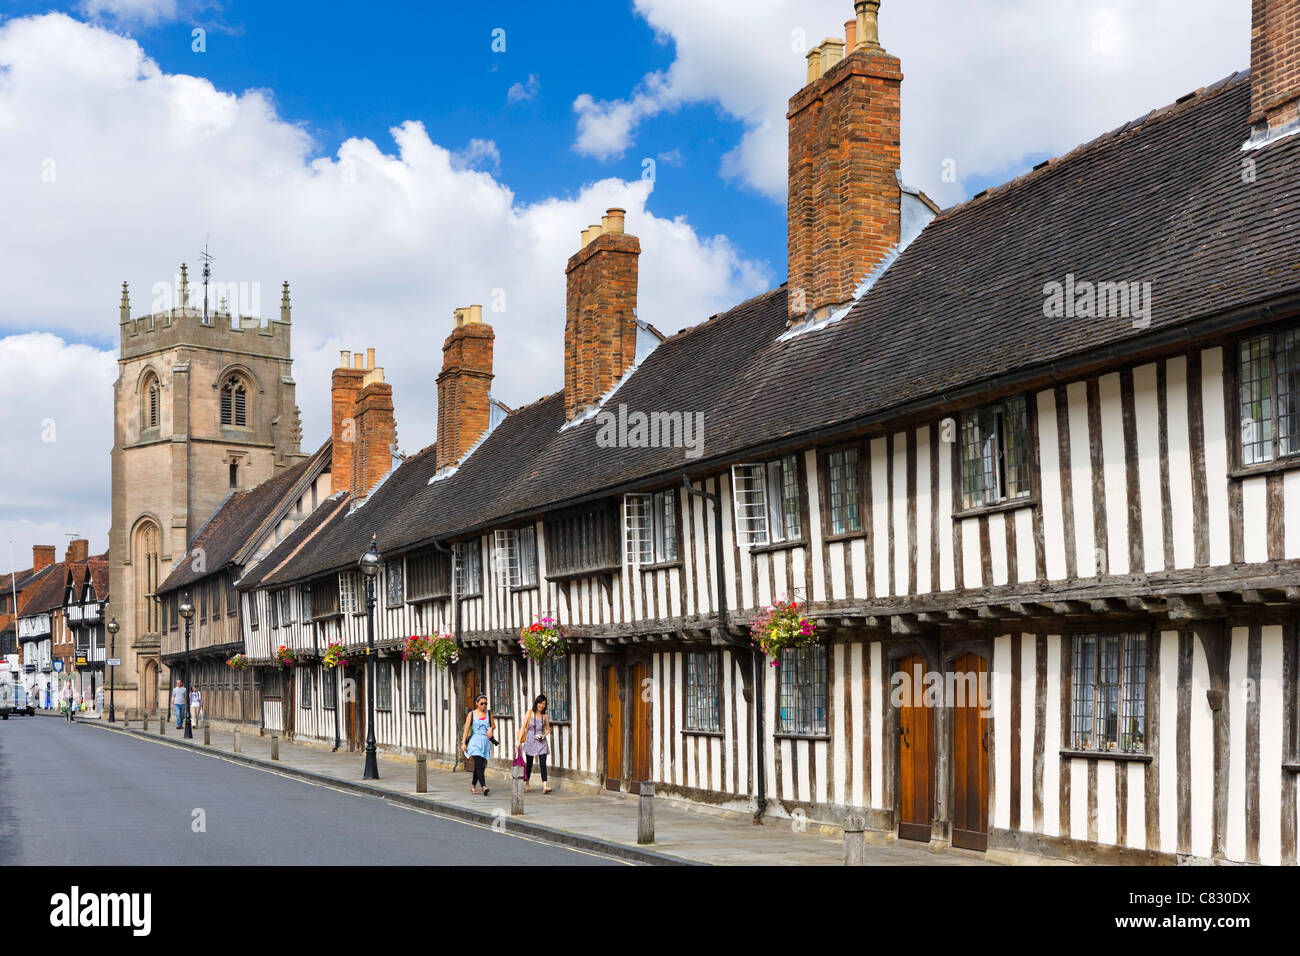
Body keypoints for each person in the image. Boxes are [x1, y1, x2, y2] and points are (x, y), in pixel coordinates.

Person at [517, 694, 552, 794]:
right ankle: (527, 783)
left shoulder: (545, 715)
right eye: (540, 703)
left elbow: (548, 729)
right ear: (536, 703)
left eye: (544, 704)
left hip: (541, 741)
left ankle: (545, 785)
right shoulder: (530, 712)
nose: (541, 705)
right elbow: (523, 727)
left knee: (542, 763)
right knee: (529, 764)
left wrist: (544, 735)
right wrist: (519, 741)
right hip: (530, 740)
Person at [461, 694, 495, 795]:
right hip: (475, 741)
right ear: (477, 703)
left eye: (485, 703)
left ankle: (473, 785)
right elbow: (466, 729)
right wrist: (463, 743)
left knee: (480, 765)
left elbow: (493, 725)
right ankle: (484, 786)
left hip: (485, 742)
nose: (484, 706)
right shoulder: (471, 714)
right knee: (479, 763)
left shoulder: (489, 713)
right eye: (481, 703)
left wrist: (490, 729)